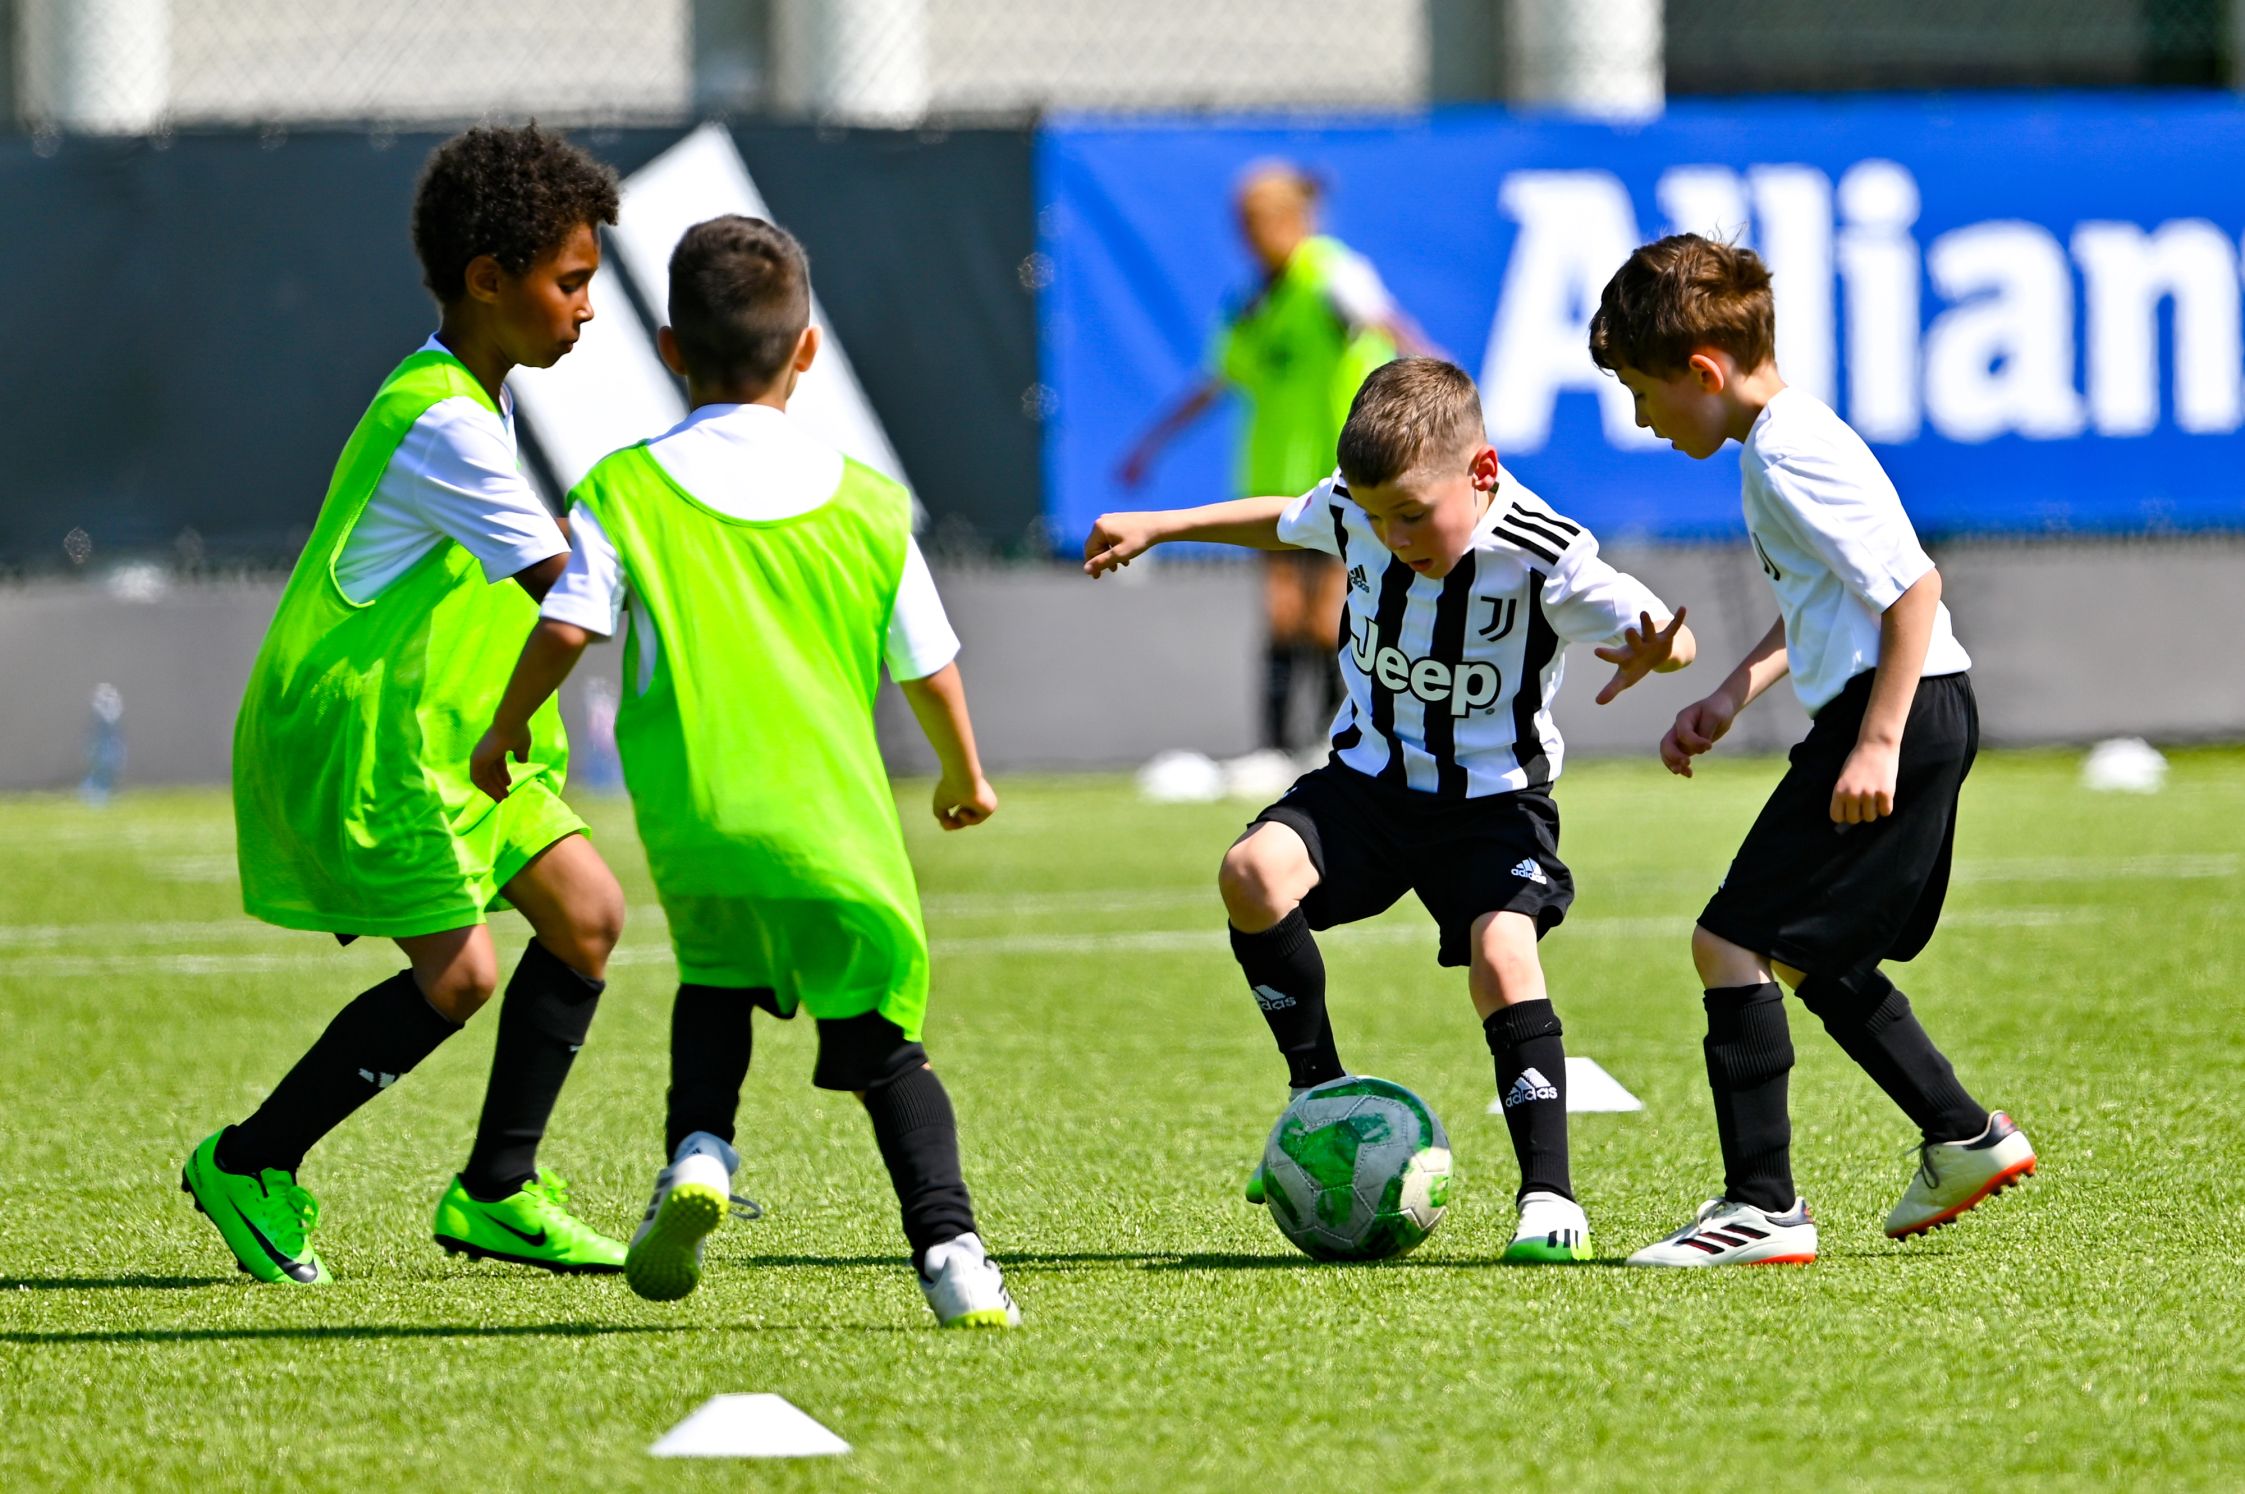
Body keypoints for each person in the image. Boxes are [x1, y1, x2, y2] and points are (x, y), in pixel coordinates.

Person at [472, 215, 1017, 1328]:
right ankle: (953, 1255)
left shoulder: (623, 492)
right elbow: (931, 663)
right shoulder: (867, 503)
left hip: (701, 825)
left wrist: (502, 731)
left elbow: (569, 623)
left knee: (715, 986)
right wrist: (964, 774)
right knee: (882, 1047)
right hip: (837, 832)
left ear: (672, 350)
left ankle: (699, 1157)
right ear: (805, 350)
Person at [1086, 358, 1695, 1262]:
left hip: (1493, 805)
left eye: (1411, 514)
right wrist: (1163, 525)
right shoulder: (1354, 512)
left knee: (1500, 951)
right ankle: (1317, 1100)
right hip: (1367, 788)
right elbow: (1287, 520)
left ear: (1481, 472)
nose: (1391, 534)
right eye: (1375, 517)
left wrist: (1665, 653)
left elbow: (1661, 629)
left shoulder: (1542, 552)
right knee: (1251, 874)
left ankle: (1548, 1200)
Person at [183, 124, 630, 1284]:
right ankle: (251, 1160)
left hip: (450, 729)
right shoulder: (441, 422)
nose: (588, 307)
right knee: (463, 974)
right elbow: (567, 587)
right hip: (361, 731)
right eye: (571, 280)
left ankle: (496, 1192)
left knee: (584, 915)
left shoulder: (484, 392)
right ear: (490, 282)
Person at [1588, 234, 2037, 1268]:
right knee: (1808, 948)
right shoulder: (1783, 440)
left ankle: (1761, 1208)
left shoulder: (1788, 452)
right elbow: (1830, 600)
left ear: (1702, 371)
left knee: (1727, 942)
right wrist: (1731, 691)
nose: (1643, 421)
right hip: (1906, 713)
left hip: (1899, 716)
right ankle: (1962, 1136)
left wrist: (1874, 740)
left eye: (1643, 395)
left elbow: (1911, 590)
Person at [1117, 162, 1435, 761]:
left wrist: (1443, 396)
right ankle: (1274, 746)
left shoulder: (1331, 274)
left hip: (1341, 478)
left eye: (1255, 222)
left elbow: (1386, 325)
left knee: (1329, 615)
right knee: (1282, 614)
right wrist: (1150, 444)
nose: (1246, 236)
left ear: (1291, 220)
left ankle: (1333, 740)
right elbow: (1218, 382)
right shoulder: (1251, 305)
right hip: (1273, 482)